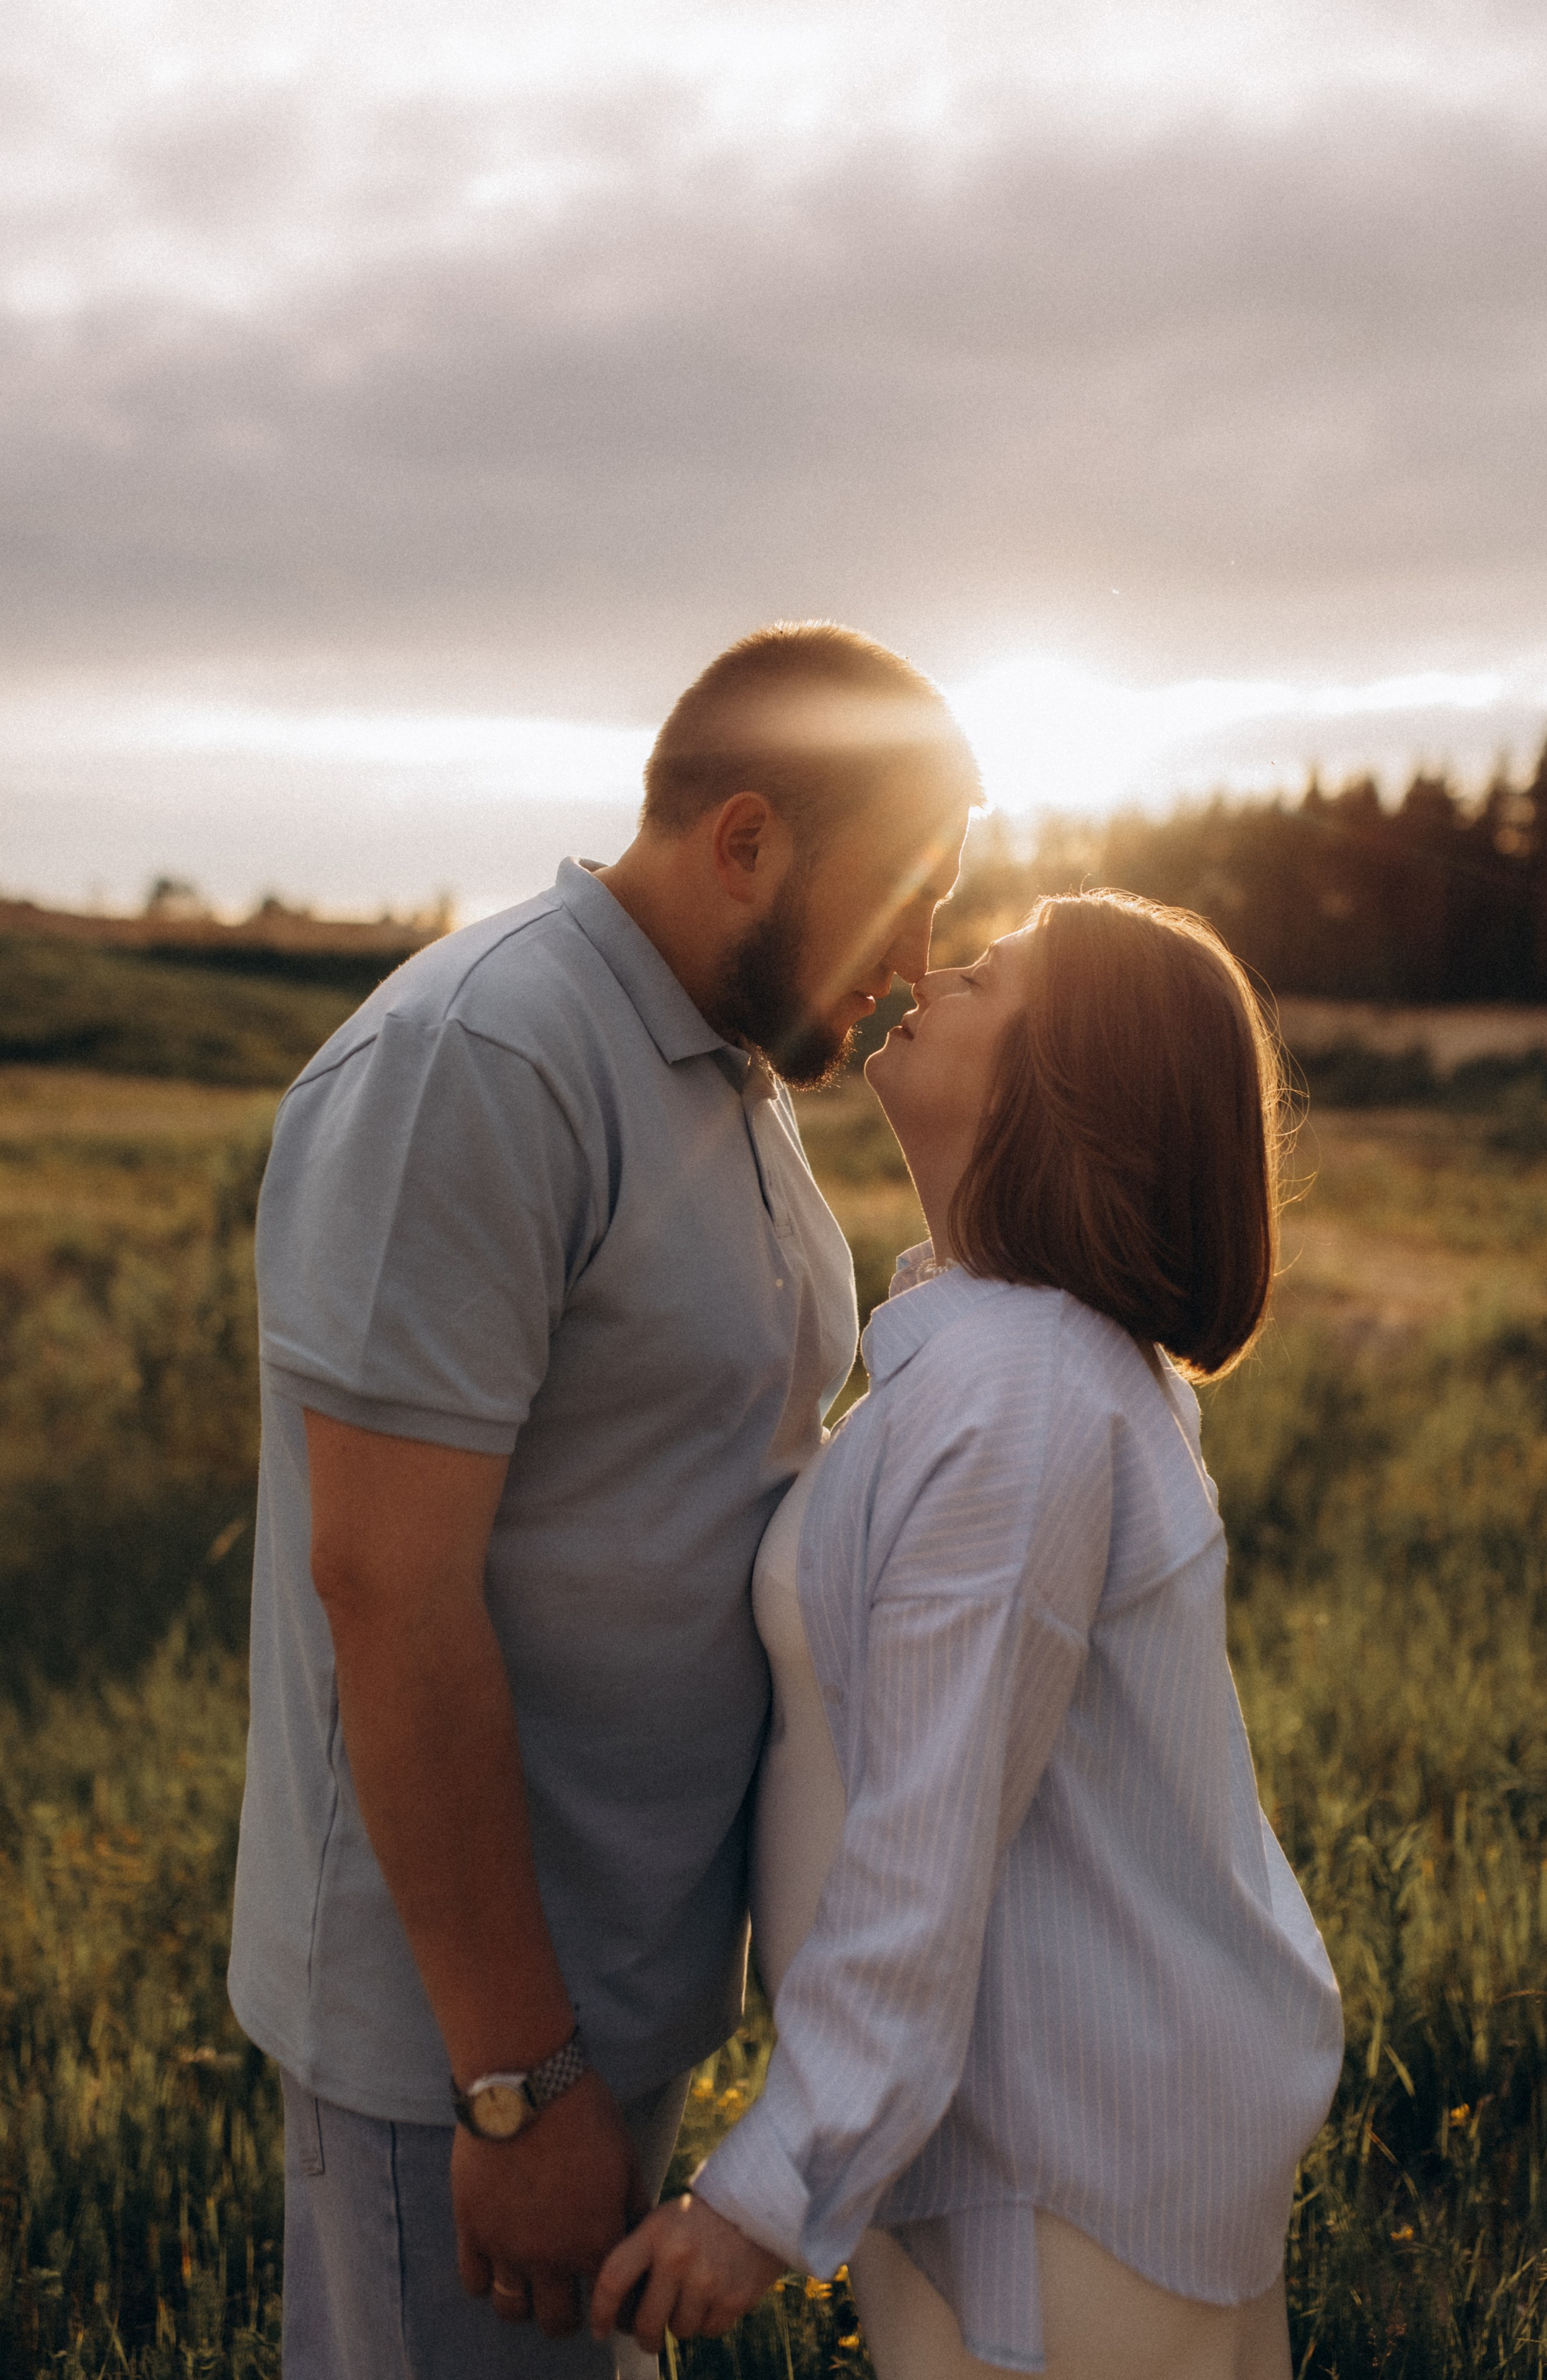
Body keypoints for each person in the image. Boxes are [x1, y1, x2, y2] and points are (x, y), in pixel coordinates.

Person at [225, 620, 977, 2380]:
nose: (920, 960)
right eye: (905, 893)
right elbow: (385, 1589)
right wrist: (515, 2084)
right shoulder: (481, 1065)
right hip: (465, 2046)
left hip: (611, 1993)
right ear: (745, 841)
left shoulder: (724, 1070)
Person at [591, 891, 1346, 2380]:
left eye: (990, 970)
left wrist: (762, 2195)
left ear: (1068, 1072)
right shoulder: (996, 1359)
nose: (933, 969)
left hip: (1072, 2178)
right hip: (1021, 2145)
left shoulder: (1017, 1398)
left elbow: (925, 1836)